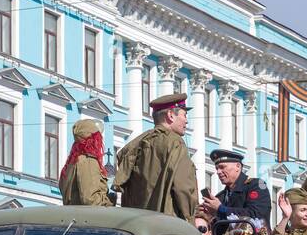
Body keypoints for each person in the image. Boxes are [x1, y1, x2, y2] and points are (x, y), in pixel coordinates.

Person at [112, 93, 197, 222]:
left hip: (137, 222)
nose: (186, 121)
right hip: (167, 223)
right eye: (184, 115)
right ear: (170, 115)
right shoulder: (175, 143)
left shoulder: (136, 144)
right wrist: (190, 218)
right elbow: (183, 187)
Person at [200, 148, 270, 227]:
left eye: (222, 167)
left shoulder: (257, 184)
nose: (218, 172)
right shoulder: (220, 197)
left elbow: (257, 214)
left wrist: (221, 209)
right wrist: (209, 215)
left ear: (238, 166)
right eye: (217, 168)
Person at [60, 119, 112, 207]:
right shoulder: (88, 161)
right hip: (89, 218)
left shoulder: (71, 163)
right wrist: (108, 203)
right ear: (94, 140)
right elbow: (90, 200)